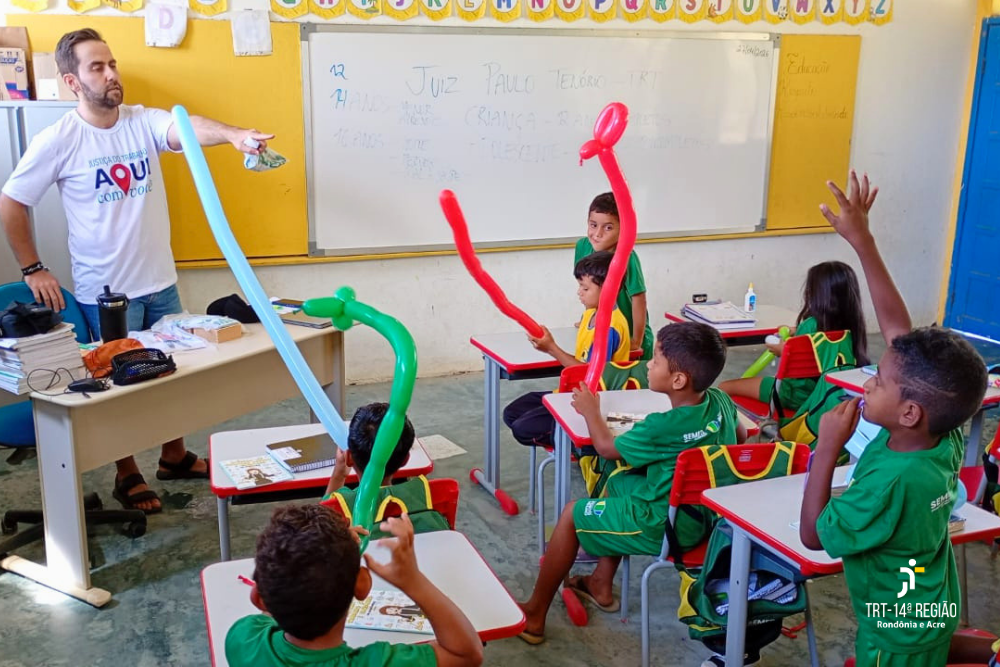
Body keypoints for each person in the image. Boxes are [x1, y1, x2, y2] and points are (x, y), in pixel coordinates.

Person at [0, 28, 274, 513]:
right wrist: (33, 268)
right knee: (118, 385)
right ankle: (127, 474)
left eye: (112, 64)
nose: (111, 75)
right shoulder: (59, 139)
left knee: (174, 376)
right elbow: (13, 201)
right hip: (104, 292)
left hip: (160, 281)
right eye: (96, 67)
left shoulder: (141, 122)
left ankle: (173, 456)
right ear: (72, 81)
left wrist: (234, 136)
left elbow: (186, 130)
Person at [800, 171, 988, 667]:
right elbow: (898, 330)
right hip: (930, 606)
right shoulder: (940, 438)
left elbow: (814, 536)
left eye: (877, 380)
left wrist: (827, 446)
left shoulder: (887, 483)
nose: (867, 382)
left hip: (892, 633)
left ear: (909, 412)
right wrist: (862, 241)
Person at [518, 322, 747, 644]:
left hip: (667, 523)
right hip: (711, 512)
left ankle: (533, 615)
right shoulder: (721, 401)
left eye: (655, 360)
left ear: (679, 380)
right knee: (620, 479)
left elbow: (606, 448)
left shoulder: (661, 426)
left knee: (572, 513)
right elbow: (742, 437)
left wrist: (590, 412)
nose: (649, 365)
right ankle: (600, 583)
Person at [225, 505, 483, 667]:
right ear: (362, 584)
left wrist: (324, 547)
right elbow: (466, 654)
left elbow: (278, 598)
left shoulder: (243, 638)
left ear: (258, 597)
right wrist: (413, 581)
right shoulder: (375, 662)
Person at [502, 250, 631, 449]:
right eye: (580, 286)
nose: (579, 292)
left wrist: (551, 348)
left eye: (585, 288)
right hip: (571, 393)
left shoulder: (610, 329)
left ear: (608, 289)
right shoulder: (591, 313)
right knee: (512, 412)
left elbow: (590, 375)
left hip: (594, 404)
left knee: (522, 428)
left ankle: (581, 443)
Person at [720, 260, 870, 416]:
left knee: (726, 386)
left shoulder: (810, 325)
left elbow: (796, 360)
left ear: (815, 293)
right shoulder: (853, 325)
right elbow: (823, 347)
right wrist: (797, 332)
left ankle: (719, 431)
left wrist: (782, 350)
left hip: (795, 395)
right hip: (828, 394)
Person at [322, 402, 450, 538]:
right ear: (406, 459)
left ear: (349, 458)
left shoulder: (344, 505)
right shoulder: (428, 496)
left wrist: (339, 474)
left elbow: (321, 518)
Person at [575, 192, 654, 360]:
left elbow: (638, 299)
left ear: (623, 229)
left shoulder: (627, 256)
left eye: (608, 228)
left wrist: (636, 341)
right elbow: (589, 287)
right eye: (593, 225)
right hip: (603, 331)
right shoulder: (582, 246)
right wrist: (589, 321)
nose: (597, 234)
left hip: (629, 333)